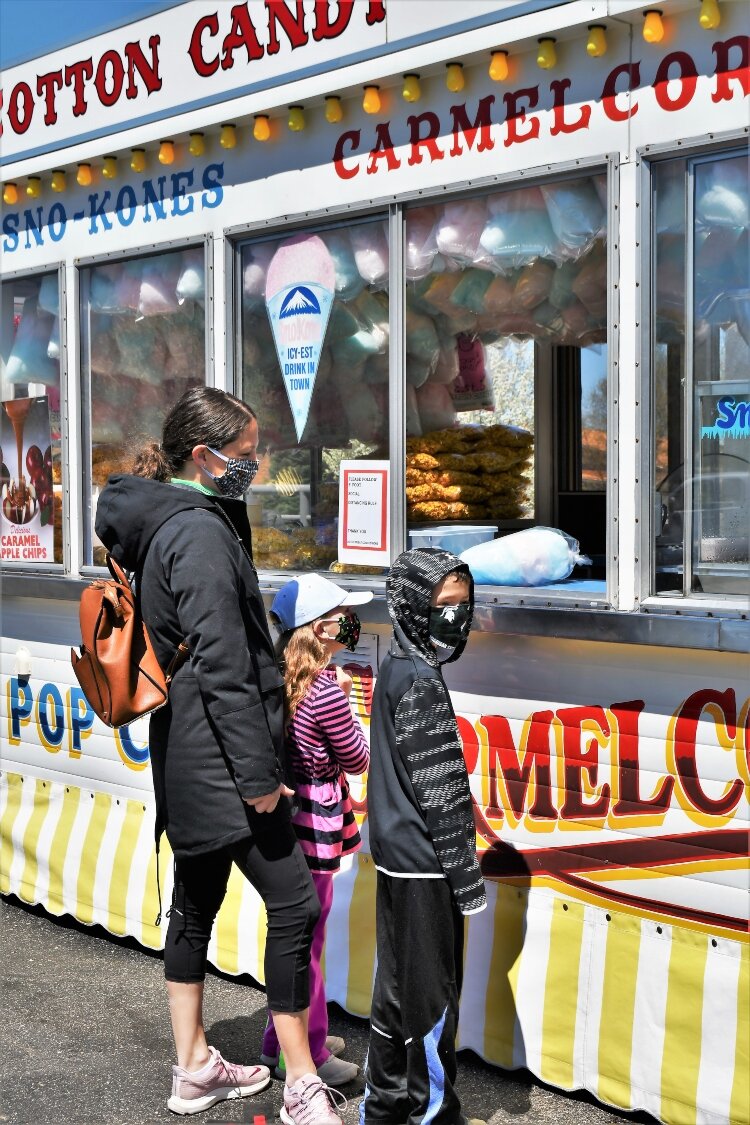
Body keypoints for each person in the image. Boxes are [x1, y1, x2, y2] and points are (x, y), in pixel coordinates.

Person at [95, 387, 344, 1124]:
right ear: (202, 457)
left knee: (196, 903)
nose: (254, 468)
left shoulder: (172, 520)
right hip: (226, 765)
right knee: (295, 904)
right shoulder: (198, 533)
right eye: (244, 457)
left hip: (187, 755)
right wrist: (261, 780)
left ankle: (195, 1066)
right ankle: (301, 1081)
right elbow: (228, 666)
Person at [359, 547, 488, 1125]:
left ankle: (382, 1105)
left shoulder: (395, 667)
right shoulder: (423, 682)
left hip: (393, 857)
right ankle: (434, 1114)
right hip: (427, 864)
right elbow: (442, 796)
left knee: (392, 990)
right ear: (415, 606)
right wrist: (467, 881)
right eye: (444, 605)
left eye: (463, 606)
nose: (456, 619)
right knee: (434, 999)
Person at [260, 573, 373, 1088]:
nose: (351, 623)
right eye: (343, 616)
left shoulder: (278, 676)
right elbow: (356, 758)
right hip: (317, 817)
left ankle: (278, 1039)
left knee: (295, 930)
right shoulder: (327, 690)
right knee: (310, 935)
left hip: (287, 814)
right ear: (321, 629)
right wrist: (348, 698)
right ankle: (309, 1049)